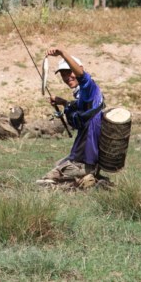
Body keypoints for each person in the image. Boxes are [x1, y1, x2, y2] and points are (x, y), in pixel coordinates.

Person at [37, 47, 105, 186]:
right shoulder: (83, 94)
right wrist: (63, 103)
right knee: (59, 164)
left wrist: (62, 53)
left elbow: (81, 75)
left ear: (79, 68)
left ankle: (89, 178)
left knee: (51, 177)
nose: (68, 77)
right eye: (64, 74)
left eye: (70, 72)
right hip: (85, 153)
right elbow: (82, 110)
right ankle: (88, 177)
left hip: (88, 155)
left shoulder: (88, 86)